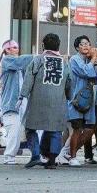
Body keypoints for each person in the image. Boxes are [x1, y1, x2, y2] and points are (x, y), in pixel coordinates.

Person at [19, 33, 72, 169]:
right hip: (57, 102)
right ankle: (52, 160)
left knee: (30, 128)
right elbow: (69, 83)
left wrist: (22, 95)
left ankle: (36, 155)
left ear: (43, 45)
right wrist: (68, 96)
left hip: (38, 100)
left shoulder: (38, 60)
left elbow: (28, 79)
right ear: (58, 45)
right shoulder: (64, 62)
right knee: (54, 131)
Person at [63, 35, 97, 166]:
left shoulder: (89, 60)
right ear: (77, 47)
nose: (86, 46)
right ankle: (72, 156)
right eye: (82, 44)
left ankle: (67, 153)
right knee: (77, 129)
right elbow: (84, 72)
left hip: (88, 100)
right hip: (76, 99)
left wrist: (94, 62)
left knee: (90, 129)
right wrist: (93, 60)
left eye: (87, 44)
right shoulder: (74, 59)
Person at [0, 40, 34, 165]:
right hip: (11, 102)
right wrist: (39, 56)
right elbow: (20, 62)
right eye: (13, 47)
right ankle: (9, 156)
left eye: (17, 47)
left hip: (23, 101)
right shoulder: (6, 61)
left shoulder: (19, 64)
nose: (16, 49)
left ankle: (37, 154)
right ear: (7, 50)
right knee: (14, 130)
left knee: (31, 128)